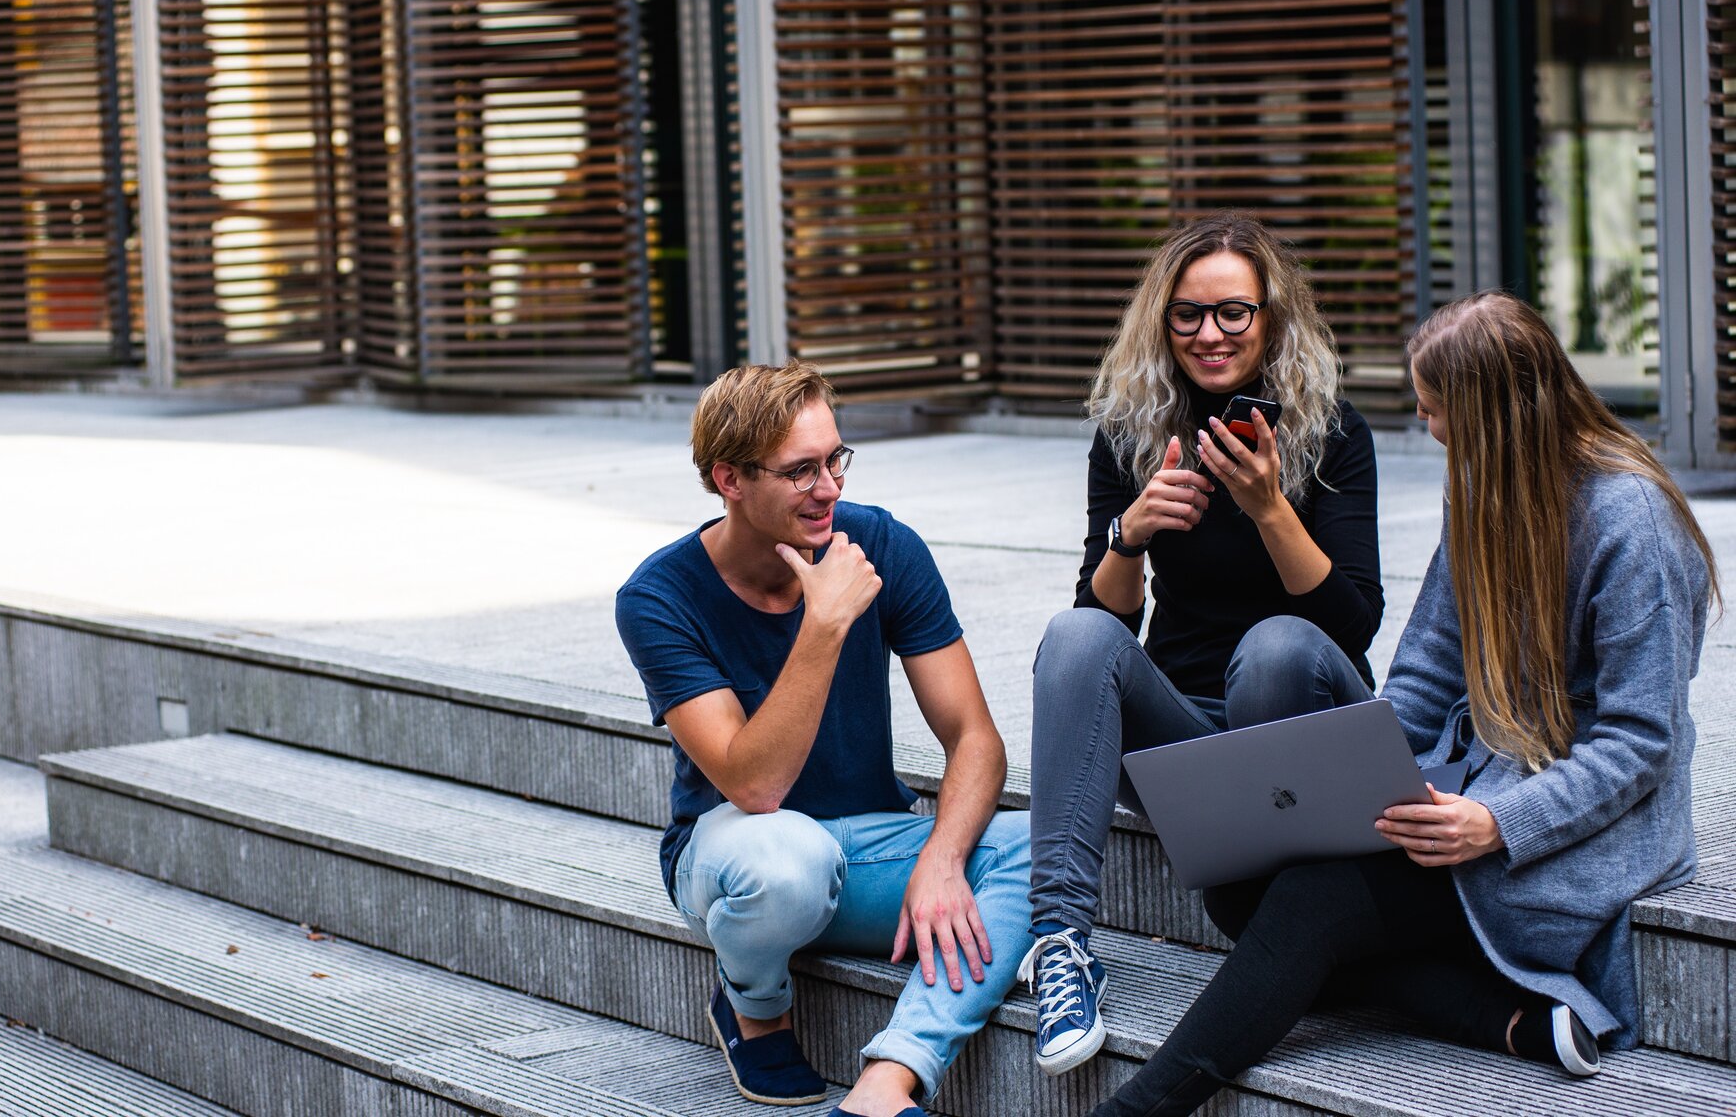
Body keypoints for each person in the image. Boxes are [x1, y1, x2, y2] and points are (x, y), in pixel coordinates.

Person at [1088, 290, 1722, 1116]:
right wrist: (1371, 784)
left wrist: (1498, 824)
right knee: (1238, 890)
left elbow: (1641, 744)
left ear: (1493, 413)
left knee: (1314, 903)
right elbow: (1423, 678)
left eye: (1434, 410)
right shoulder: (1483, 491)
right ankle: (1503, 1018)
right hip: (1471, 790)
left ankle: (1137, 1109)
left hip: (1583, 830)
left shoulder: (1630, 520)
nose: (1428, 428)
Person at [615, 362, 1032, 1117]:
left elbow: (976, 737)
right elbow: (754, 787)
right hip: (738, 857)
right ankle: (755, 1007)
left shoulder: (878, 542)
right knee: (787, 858)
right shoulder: (658, 597)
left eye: (835, 459)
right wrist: (824, 623)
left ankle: (891, 1078)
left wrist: (940, 859)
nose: (830, 487)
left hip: (868, 846)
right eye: (801, 470)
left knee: (1041, 845)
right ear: (729, 480)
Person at [1020, 212, 1384, 1074]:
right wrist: (1130, 536)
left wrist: (1268, 507)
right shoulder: (1130, 432)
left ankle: (1287, 910)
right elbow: (1102, 629)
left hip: (1303, 724)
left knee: (1276, 649)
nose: (1209, 334)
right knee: (1072, 637)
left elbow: (1353, 624)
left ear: (1272, 318)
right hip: (1188, 741)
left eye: (1234, 313)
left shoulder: (1334, 434)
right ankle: (1062, 947)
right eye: (1188, 314)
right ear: (1162, 319)